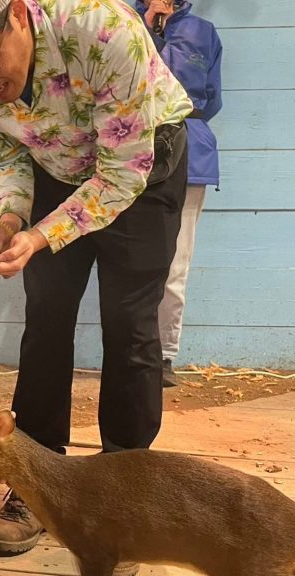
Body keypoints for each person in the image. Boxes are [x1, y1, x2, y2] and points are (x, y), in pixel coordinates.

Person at [0, 0, 193, 557]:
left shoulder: (104, 29)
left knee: (130, 326)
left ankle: (124, 495)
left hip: (139, 166)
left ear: (17, 14)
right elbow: (1, 154)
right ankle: (37, 486)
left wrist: (40, 237)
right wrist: (10, 218)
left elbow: (118, 176)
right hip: (56, 170)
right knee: (45, 321)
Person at [136, 0, 223, 388]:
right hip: (130, 149)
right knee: (129, 262)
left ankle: (163, 355)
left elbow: (213, 98)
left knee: (176, 262)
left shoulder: (203, 32)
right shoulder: (122, 21)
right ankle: (130, 350)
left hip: (190, 150)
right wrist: (150, 26)